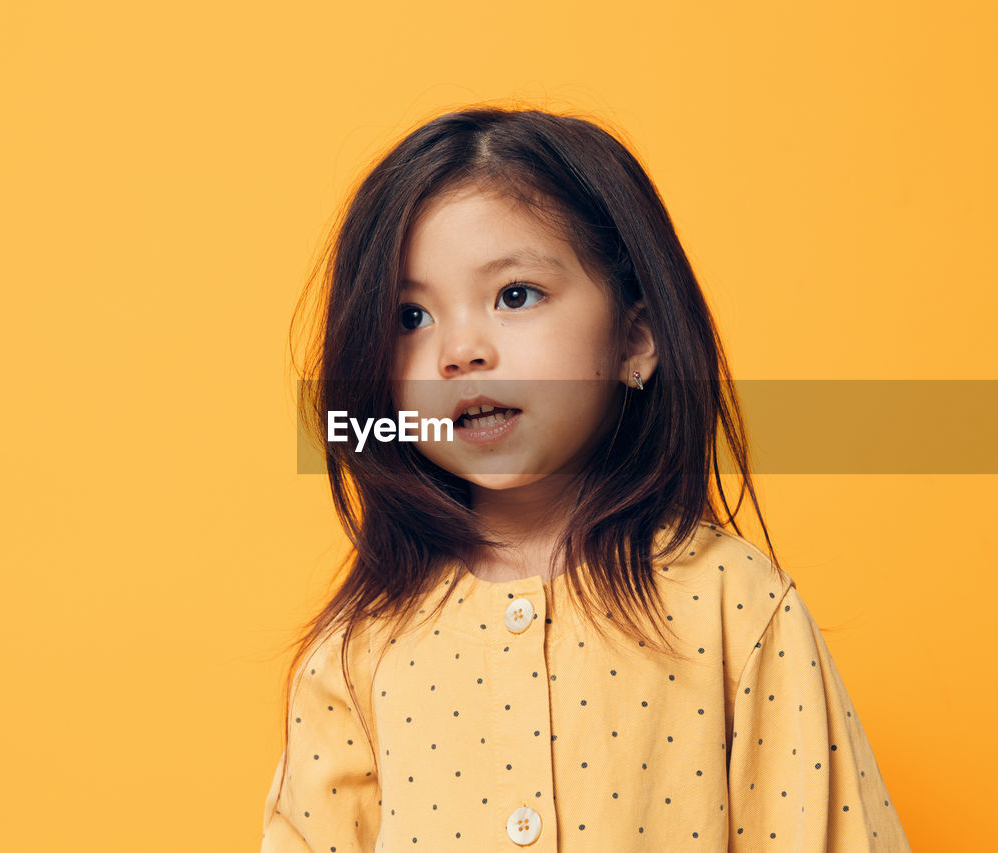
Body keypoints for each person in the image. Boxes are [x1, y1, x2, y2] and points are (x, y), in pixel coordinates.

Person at [260, 106, 913, 852]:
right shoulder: (360, 649)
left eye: (514, 295)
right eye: (411, 316)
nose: (460, 351)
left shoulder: (736, 605)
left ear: (636, 337)